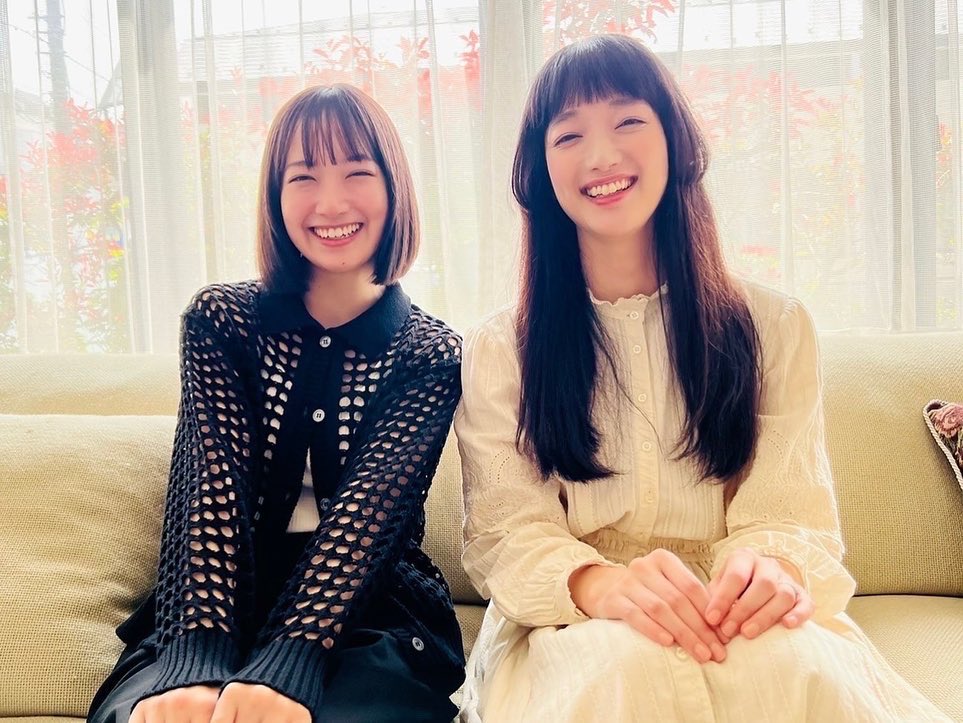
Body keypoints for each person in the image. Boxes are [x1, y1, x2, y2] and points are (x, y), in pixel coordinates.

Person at [455, 34, 949, 722]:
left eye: (628, 120)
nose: (601, 155)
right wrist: (599, 584)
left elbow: (789, 511)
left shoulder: (774, 326)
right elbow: (505, 532)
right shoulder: (501, 347)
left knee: (792, 665)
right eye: (568, 135)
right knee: (621, 669)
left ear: (675, 141)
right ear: (539, 170)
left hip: (734, 606)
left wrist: (766, 568)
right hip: (575, 617)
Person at [88, 84, 464, 723]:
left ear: (394, 188)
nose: (331, 201)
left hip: (369, 614)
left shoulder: (428, 354)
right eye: (303, 176)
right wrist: (194, 661)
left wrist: (286, 667)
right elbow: (207, 495)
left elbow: (362, 526)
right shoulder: (222, 321)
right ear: (275, 195)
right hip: (210, 604)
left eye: (357, 172)